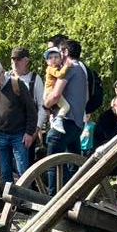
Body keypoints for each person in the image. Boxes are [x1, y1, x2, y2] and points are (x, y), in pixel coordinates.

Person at [0, 59, 37, 185]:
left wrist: (29, 132)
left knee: (23, 171)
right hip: (1, 135)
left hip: (19, 134)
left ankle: (26, 196)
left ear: (3, 72)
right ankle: (10, 197)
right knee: (5, 172)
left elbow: (31, 110)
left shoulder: (17, 84)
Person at [43, 39, 88, 187]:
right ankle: (72, 196)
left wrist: (45, 104)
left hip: (65, 122)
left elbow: (55, 95)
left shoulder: (69, 68)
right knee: (73, 166)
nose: (57, 56)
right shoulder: (82, 69)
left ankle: (52, 198)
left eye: (59, 52)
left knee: (52, 164)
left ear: (66, 52)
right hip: (77, 124)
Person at [9, 46, 47, 152]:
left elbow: (42, 106)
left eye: (18, 59)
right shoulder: (5, 78)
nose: (15, 62)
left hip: (27, 132)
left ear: (26, 61)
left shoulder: (35, 79)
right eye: (13, 59)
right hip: (7, 133)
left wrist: (35, 130)